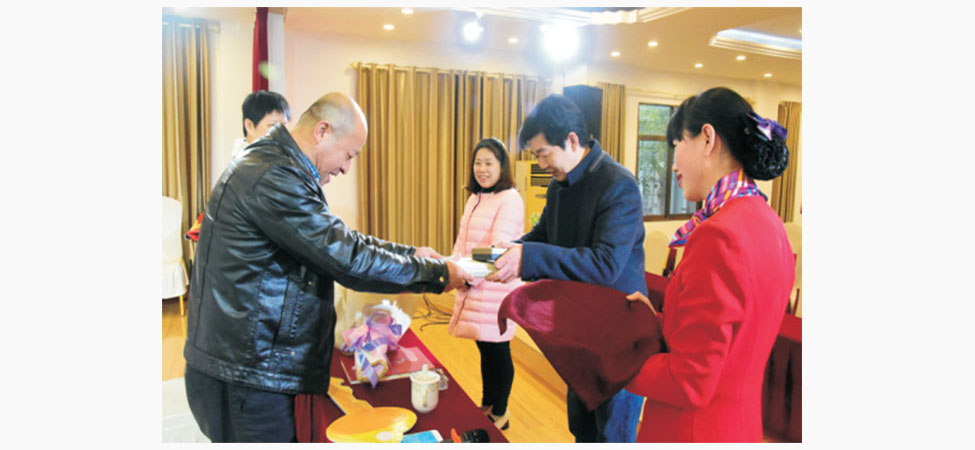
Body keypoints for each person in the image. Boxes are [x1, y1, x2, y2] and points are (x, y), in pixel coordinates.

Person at [183, 92, 472, 443]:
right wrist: (436, 274)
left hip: (244, 365)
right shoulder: (274, 175)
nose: (347, 168)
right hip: (246, 375)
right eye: (349, 154)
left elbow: (341, 239)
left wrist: (414, 254)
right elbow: (347, 258)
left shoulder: (276, 164)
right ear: (322, 131)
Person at [623, 87, 795, 442]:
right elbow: (730, 338)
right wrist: (657, 322)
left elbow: (689, 380)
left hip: (692, 431)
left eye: (676, 145)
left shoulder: (718, 235)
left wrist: (618, 360)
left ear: (707, 139)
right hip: (739, 427)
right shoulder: (770, 222)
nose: (673, 165)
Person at [487, 94, 647, 442]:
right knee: (581, 429)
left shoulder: (618, 185)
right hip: (579, 332)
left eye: (543, 153)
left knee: (613, 436)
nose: (540, 163)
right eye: (535, 155)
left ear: (572, 140)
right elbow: (544, 235)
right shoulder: (559, 186)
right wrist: (506, 251)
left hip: (618, 338)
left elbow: (605, 264)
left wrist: (527, 257)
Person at [446, 137, 525, 431]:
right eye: (478, 163)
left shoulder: (510, 199)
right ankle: (487, 404)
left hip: (495, 288)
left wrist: (464, 274)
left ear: (502, 166)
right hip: (474, 284)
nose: (482, 169)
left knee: (498, 351)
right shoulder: (475, 197)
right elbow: (461, 243)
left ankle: (500, 412)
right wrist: (451, 268)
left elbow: (498, 248)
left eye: (489, 163)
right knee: (485, 348)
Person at [232, 90, 291, 157]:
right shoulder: (246, 161)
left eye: (284, 126)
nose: (282, 133)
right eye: (273, 126)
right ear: (249, 126)